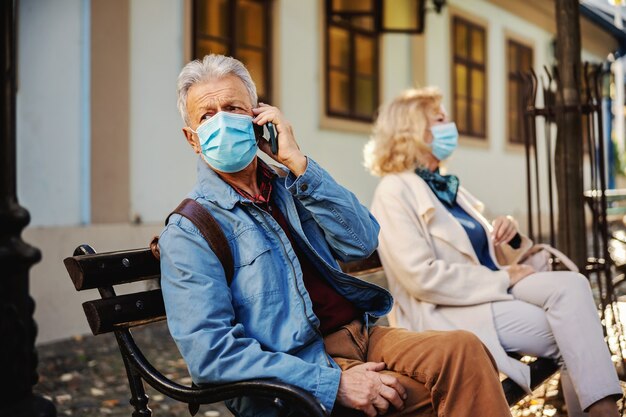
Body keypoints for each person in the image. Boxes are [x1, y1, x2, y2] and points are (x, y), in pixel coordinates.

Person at [158, 55, 513, 417]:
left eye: (233, 108)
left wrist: (298, 162)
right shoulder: (190, 230)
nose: (222, 120)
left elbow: (363, 240)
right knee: (450, 388)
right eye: (207, 116)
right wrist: (334, 383)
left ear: (258, 118)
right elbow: (211, 354)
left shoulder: (291, 186)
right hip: (297, 370)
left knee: (465, 350)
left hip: (362, 335)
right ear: (193, 139)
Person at [365, 86, 623, 417]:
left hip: (492, 289)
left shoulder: (446, 188)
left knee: (575, 286)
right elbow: (421, 278)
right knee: (573, 333)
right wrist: (501, 278)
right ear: (412, 129)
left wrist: (510, 236)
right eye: (440, 119)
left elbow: (489, 254)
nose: (451, 125)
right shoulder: (394, 190)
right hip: (448, 309)